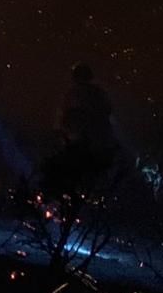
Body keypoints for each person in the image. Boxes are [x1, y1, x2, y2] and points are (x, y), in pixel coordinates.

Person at [39, 63, 120, 200]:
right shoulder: (94, 93)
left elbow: (65, 117)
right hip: (90, 141)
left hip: (84, 140)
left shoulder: (74, 94)